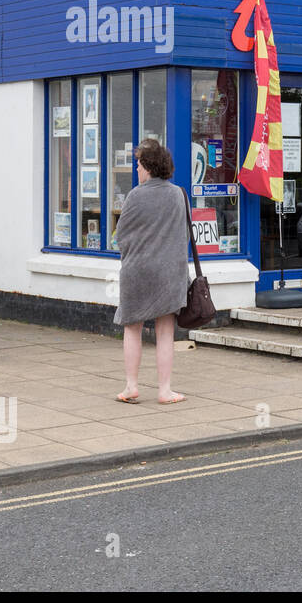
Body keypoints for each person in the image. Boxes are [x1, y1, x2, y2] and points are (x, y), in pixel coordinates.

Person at [113, 138, 188, 404]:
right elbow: (182, 236)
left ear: (148, 166)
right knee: (165, 332)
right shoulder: (178, 194)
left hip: (138, 271)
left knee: (132, 328)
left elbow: (120, 234)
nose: (136, 169)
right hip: (169, 272)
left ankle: (131, 386)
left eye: (138, 164)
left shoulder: (136, 195)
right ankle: (164, 390)